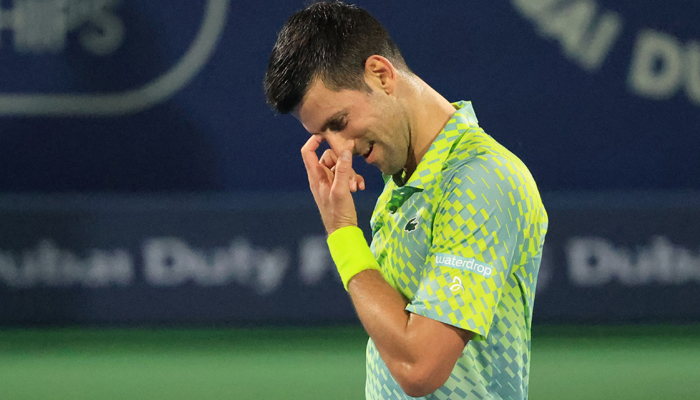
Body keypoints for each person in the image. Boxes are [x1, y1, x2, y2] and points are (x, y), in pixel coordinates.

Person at [264, 2, 548, 399]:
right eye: (323, 136)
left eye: (339, 123)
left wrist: (343, 234)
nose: (340, 150)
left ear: (380, 74)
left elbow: (419, 368)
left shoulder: (480, 180)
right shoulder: (402, 182)